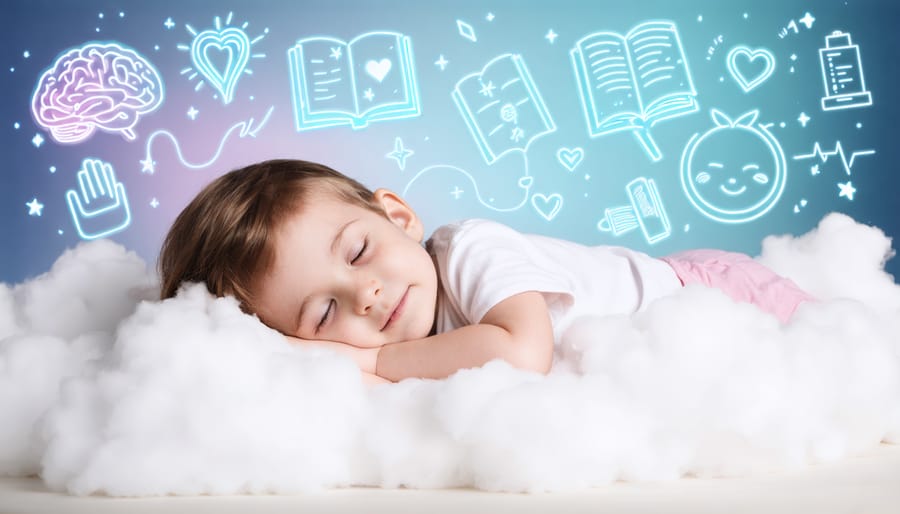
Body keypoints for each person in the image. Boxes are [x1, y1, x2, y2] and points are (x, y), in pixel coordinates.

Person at [159, 159, 814, 385]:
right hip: (670, 349)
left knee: (843, 360)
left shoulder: (469, 250)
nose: (366, 294)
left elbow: (522, 353)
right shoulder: (405, 344)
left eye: (358, 253)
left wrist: (370, 365)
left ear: (397, 215)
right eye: (323, 314)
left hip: (713, 293)